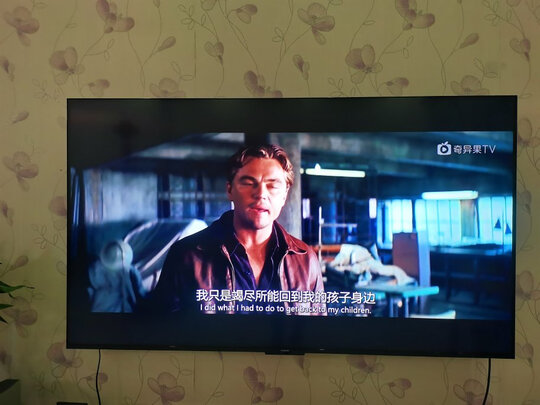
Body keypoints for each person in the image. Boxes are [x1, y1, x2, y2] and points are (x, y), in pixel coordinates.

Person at [146, 144, 325, 315]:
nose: (261, 194)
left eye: (272, 186)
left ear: (284, 195)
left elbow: (317, 329)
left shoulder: (306, 260)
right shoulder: (186, 255)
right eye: (248, 183)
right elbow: (165, 329)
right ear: (230, 189)